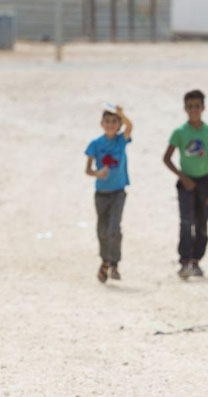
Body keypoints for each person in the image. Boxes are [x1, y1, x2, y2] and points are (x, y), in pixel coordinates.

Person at [162, 89, 208, 279]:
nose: (194, 110)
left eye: (197, 106)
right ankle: (184, 261)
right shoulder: (179, 133)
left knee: (202, 224)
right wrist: (182, 177)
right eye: (190, 106)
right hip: (186, 182)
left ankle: (196, 261)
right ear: (185, 108)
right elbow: (166, 158)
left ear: (203, 108)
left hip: (205, 182)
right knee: (185, 222)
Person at [84, 106, 133, 283]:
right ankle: (105, 261)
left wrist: (122, 114)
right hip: (101, 193)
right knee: (102, 231)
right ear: (101, 124)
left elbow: (130, 127)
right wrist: (97, 174)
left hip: (118, 192)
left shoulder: (121, 141)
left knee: (114, 228)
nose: (110, 124)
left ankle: (114, 263)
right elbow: (88, 169)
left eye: (114, 121)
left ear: (119, 124)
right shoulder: (96, 144)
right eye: (107, 121)